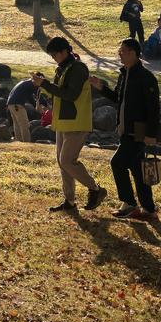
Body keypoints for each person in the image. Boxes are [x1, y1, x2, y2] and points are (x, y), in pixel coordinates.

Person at [37, 37, 107, 213]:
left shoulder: (77, 68)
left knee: (67, 161)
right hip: (62, 121)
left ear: (64, 52)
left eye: (55, 54)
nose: (53, 58)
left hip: (76, 122)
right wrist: (44, 85)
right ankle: (69, 201)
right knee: (63, 163)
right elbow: (58, 93)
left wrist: (45, 84)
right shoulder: (62, 68)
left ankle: (96, 189)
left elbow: (71, 95)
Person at [93, 39, 161, 220]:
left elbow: (153, 108)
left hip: (139, 130)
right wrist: (100, 87)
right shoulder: (124, 74)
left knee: (117, 163)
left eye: (122, 51)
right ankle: (148, 209)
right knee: (138, 170)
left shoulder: (146, 77)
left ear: (132, 53)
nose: (119, 54)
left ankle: (129, 203)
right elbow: (117, 98)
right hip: (125, 129)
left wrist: (150, 134)